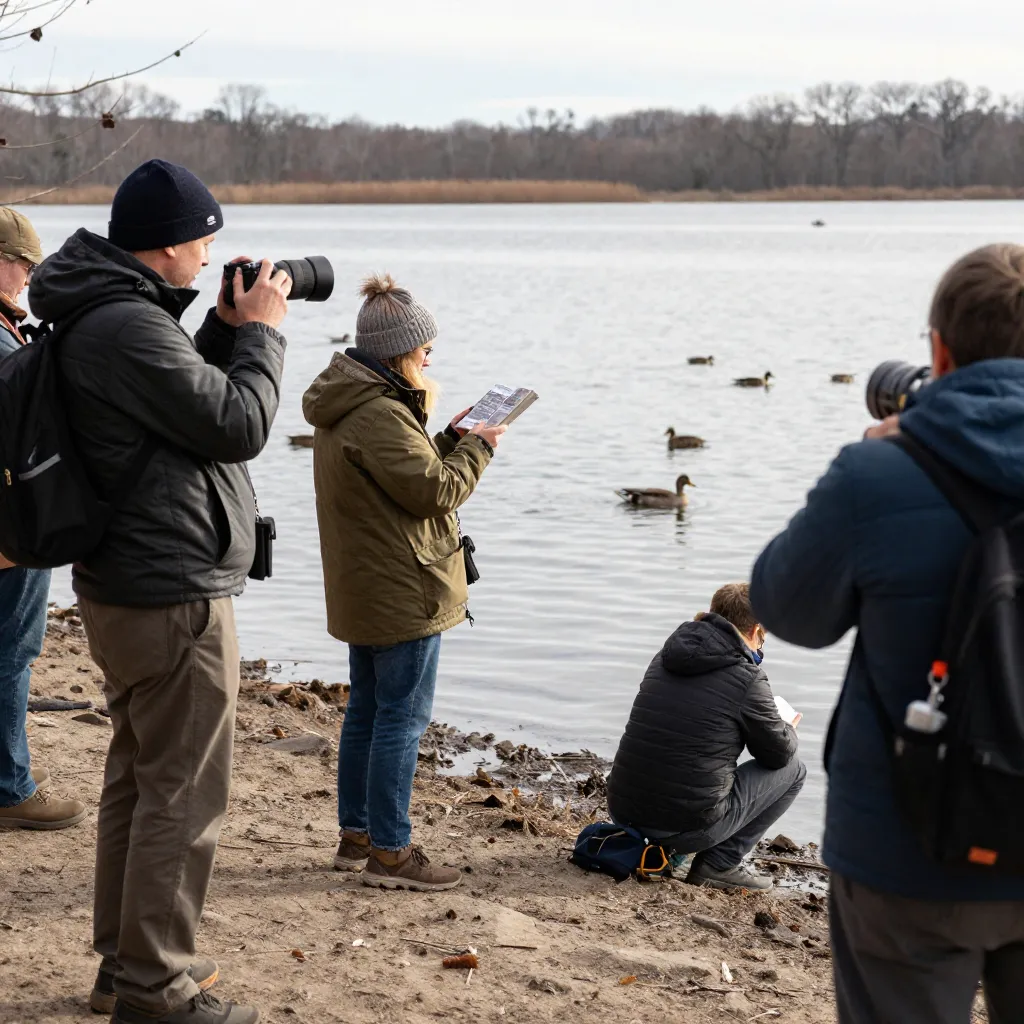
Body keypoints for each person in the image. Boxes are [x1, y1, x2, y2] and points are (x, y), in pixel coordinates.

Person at [29, 159, 291, 1024]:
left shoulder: (104, 312)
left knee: (140, 779)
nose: (212, 254)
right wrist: (263, 334)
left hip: (128, 581)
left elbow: (176, 407)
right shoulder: (128, 326)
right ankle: (155, 986)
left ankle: (125, 965)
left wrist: (217, 331)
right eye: (206, 239)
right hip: (170, 589)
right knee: (183, 791)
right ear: (171, 243)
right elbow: (238, 423)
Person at [750, 244, 1024, 1023]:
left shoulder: (880, 472)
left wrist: (872, 464)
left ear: (939, 350)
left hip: (907, 846)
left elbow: (785, 610)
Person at [303, 272, 503, 893]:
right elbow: (436, 491)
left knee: (366, 713)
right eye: (425, 350)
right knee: (401, 721)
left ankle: (358, 836)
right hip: (403, 592)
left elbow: (402, 476)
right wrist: (480, 447)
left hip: (366, 587)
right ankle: (391, 852)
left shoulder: (357, 403)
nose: (429, 360)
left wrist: (451, 437)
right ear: (399, 353)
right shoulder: (381, 413)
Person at [606, 582, 805, 890]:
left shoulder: (664, 657)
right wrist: (787, 727)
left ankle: (671, 850)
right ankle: (718, 863)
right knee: (794, 770)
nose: (760, 646)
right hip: (683, 828)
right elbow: (777, 755)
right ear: (755, 630)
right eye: (763, 638)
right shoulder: (747, 677)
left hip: (623, 811)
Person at [0, 207, 87, 831]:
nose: (28, 278)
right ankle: (10, 790)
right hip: (12, 529)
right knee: (13, 651)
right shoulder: (3, 341)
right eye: (22, 265)